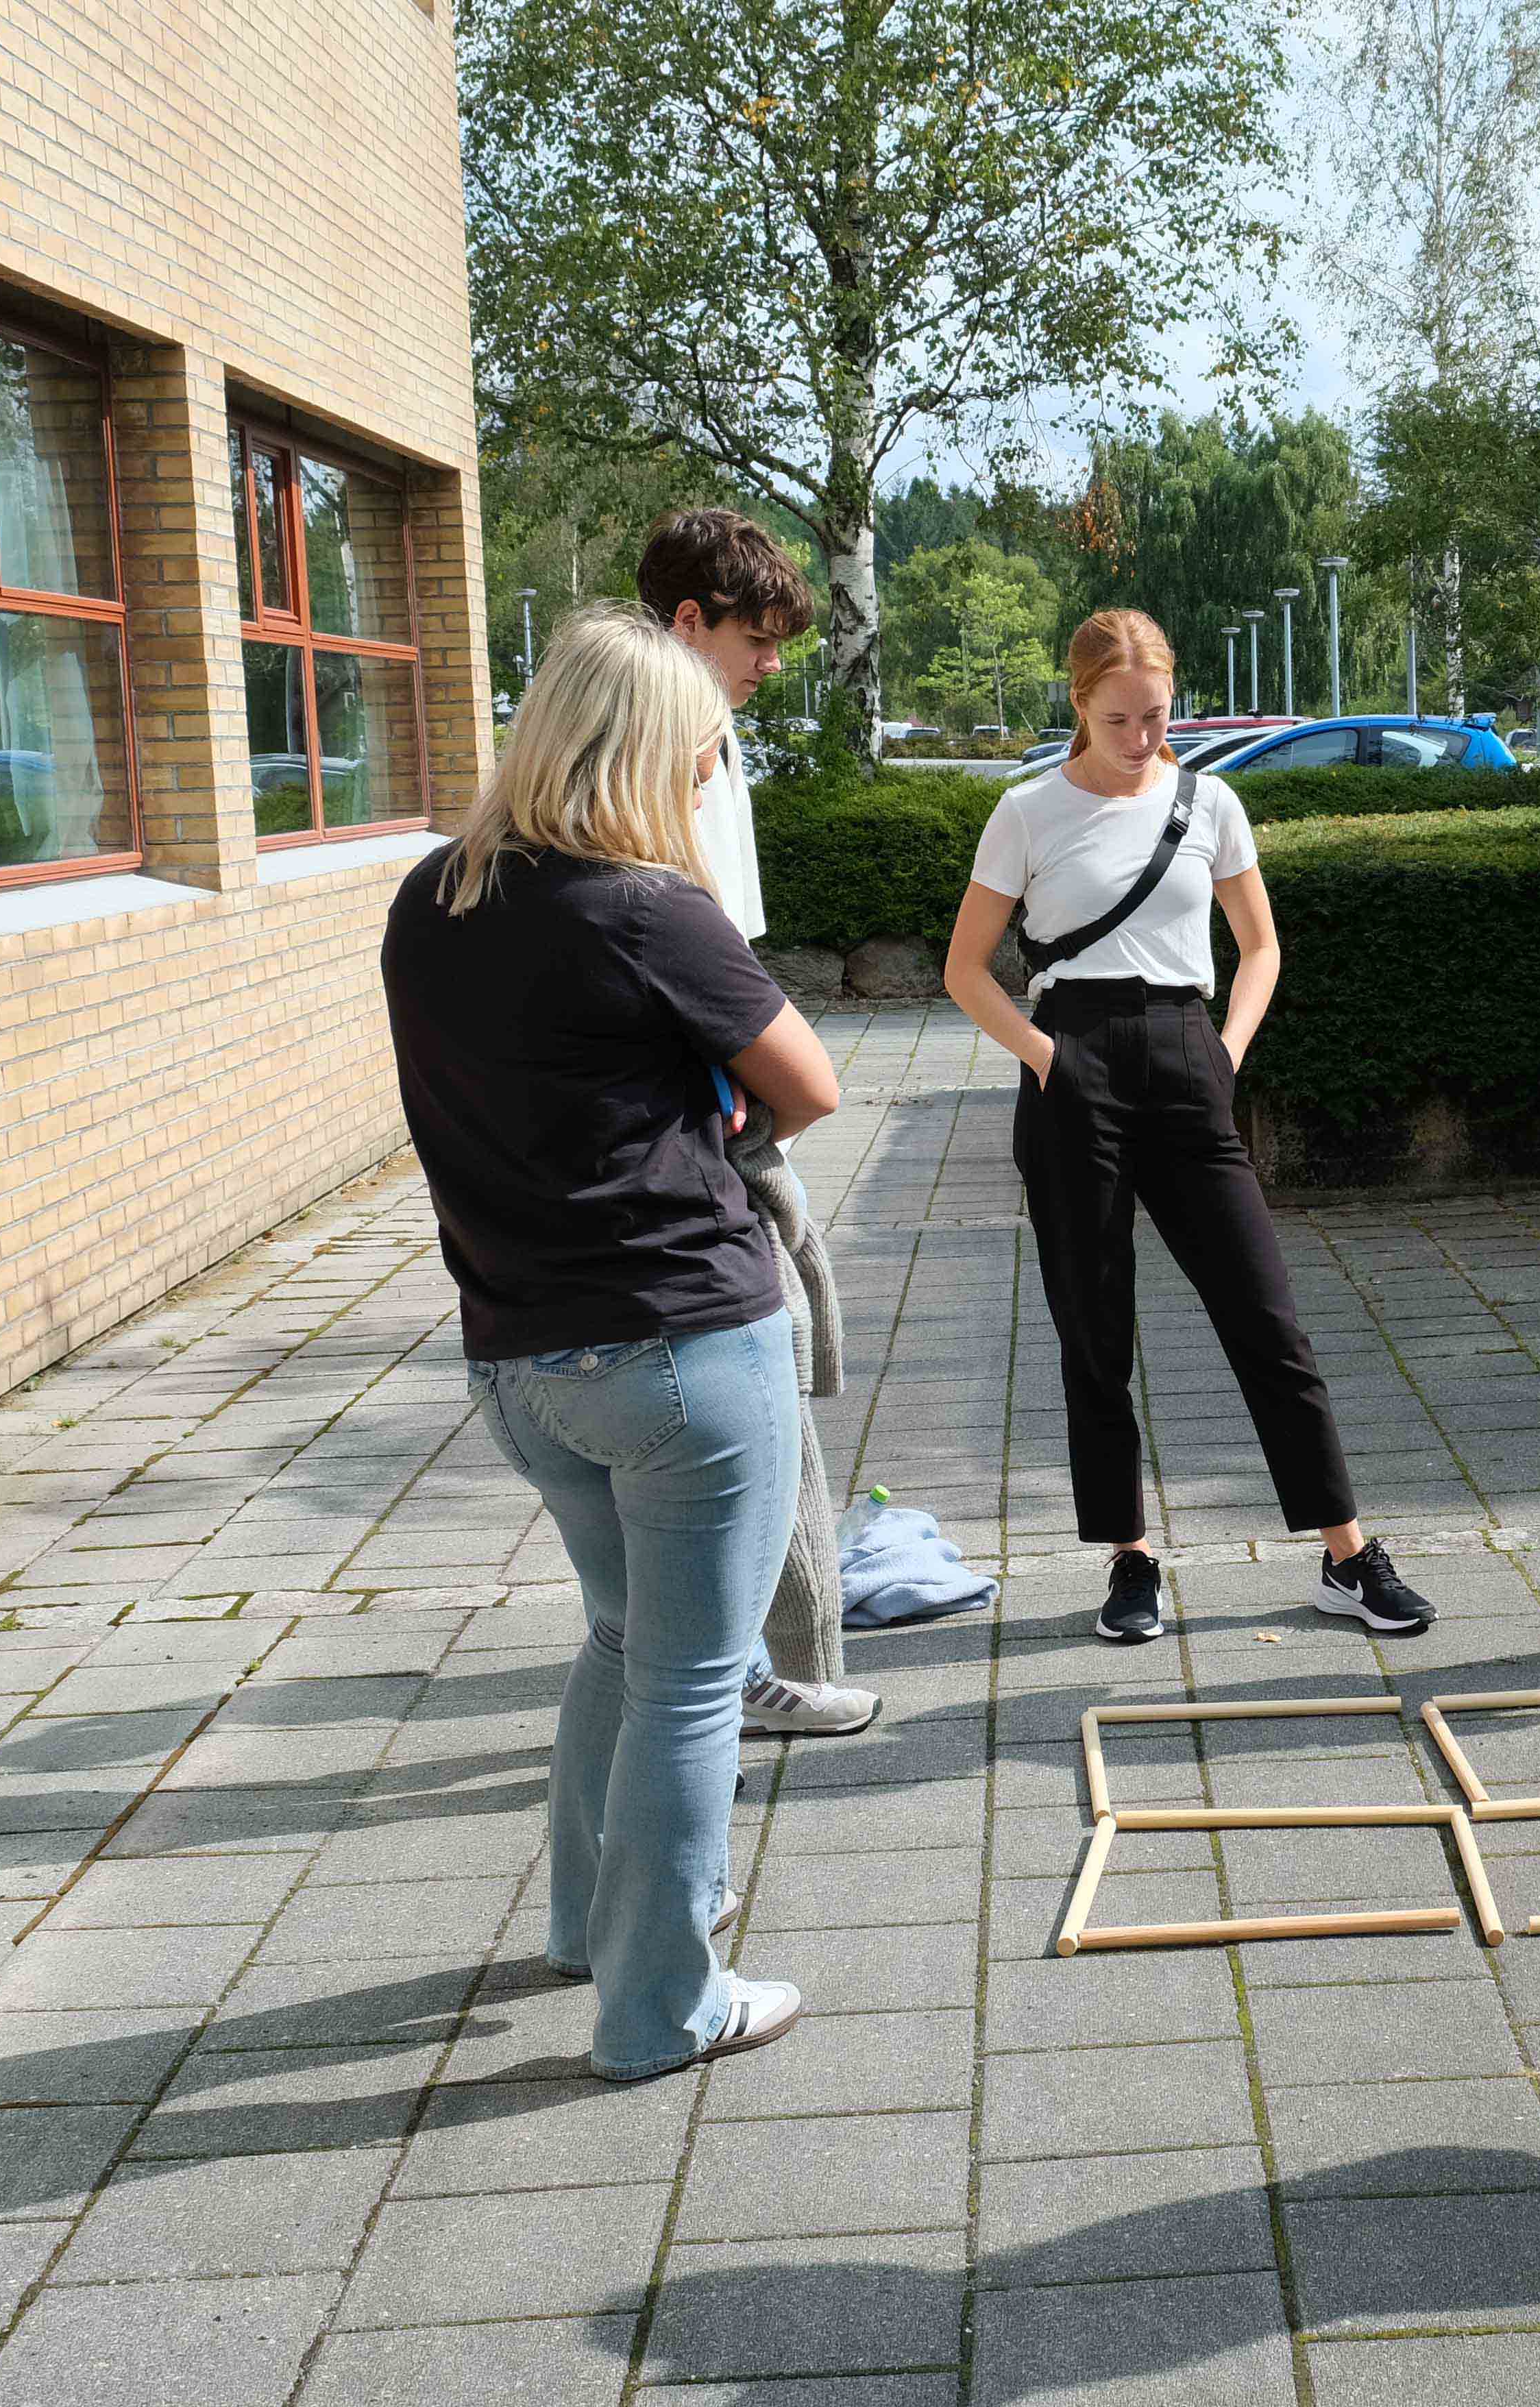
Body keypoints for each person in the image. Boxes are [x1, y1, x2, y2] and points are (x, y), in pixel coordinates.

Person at [379, 601, 840, 2081]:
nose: (710, 781)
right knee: (695, 1678)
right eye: (703, 756)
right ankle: (660, 2006)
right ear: (645, 750)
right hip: (683, 1353)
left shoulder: (428, 898)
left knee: (623, 1638)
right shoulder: (649, 907)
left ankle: (587, 1926)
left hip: (518, 1361)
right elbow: (812, 1083)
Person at [941, 609, 1437, 1646]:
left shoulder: (1210, 800)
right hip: (1071, 1057)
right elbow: (964, 972)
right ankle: (1129, 1558)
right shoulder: (1026, 812)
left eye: (1159, 716)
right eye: (1121, 718)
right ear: (1079, 703)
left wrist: (1226, 1053)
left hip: (1186, 1049)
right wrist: (1048, 1063)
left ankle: (1346, 1555)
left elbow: (1259, 948)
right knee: (1096, 1329)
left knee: (1267, 1317)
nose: (1143, 738)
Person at [636, 506, 875, 1739]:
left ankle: (746, 1666)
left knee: (762, 1374)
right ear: (688, 623)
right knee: (748, 1377)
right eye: (757, 636)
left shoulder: (711, 737)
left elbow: (728, 941)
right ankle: (735, 1678)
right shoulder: (642, 751)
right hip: (690, 1121)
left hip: (729, 1099)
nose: (772, 660)